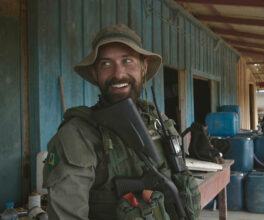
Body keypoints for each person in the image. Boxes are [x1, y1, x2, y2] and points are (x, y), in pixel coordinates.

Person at [43, 24, 200, 219]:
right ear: (94, 73)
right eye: (106, 64)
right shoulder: (78, 134)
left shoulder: (159, 121)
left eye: (127, 61)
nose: (118, 74)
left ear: (143, 67)